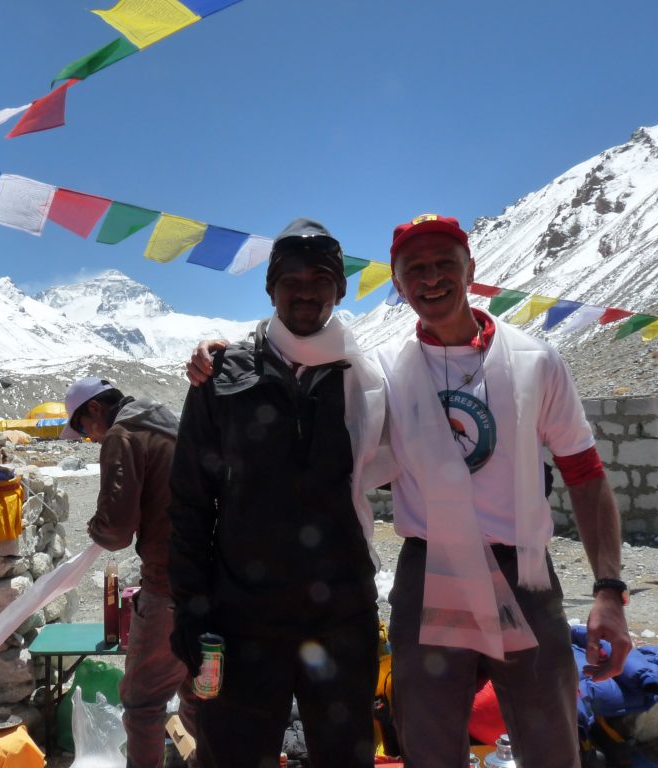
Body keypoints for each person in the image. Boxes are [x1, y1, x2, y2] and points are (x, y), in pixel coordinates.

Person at [378, 213, 631, 767]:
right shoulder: (383, 372)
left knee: (549, 742)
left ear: (472, 269)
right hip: (430, 573)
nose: (431, 278)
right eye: (414, 269)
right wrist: (227, 350)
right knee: (428, 741)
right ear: (396, 284)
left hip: (524, 573)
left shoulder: (534, 360)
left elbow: (584, 473)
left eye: (445, 263)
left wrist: (609, 590)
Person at [168, 219, 393, 768]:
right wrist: (191, 616)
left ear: (340, 289)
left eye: (321, 277)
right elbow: (190, 504)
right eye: (290, 278)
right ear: (270, 289)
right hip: (242, 622)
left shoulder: (369, 376)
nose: (306, 290)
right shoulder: (221, 376)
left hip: (342, 617)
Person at [60, 376, 197, 768]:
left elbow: (116, 531)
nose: (89, 438)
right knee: (199, 695)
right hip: (215, 586)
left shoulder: (124, 435)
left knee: (142, 703)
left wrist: (94, 528)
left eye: (85, 428)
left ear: (95, 410)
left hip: (168, 586)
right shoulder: (170, 427)